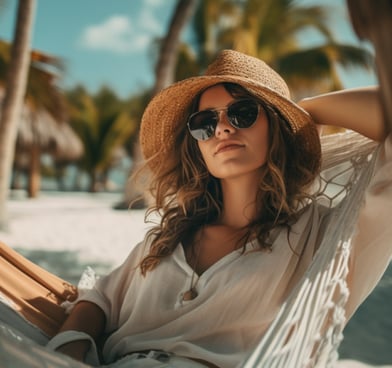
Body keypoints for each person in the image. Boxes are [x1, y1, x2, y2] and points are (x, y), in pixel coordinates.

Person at [2, 49, 391, 368]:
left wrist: (301, 111)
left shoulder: (323, 240)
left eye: (244, 113)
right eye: (205, 122)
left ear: (275, 128)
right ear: (197, 144)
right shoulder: (167, 239)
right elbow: (99, 299)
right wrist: (72, 349)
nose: (222, 129)